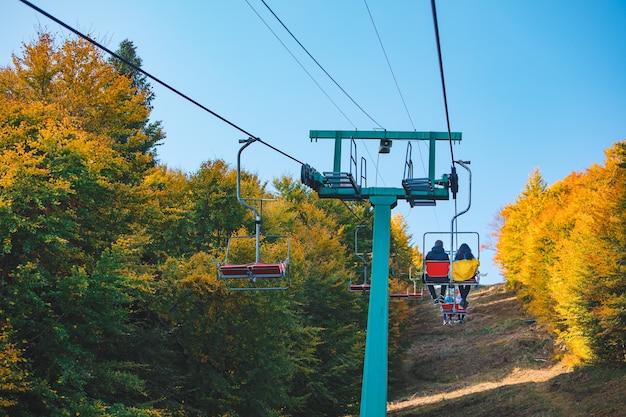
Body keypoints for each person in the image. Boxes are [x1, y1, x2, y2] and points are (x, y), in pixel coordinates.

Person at [453, 243, 479, 308]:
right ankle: (463, 299)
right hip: (469, 276)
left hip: (459, 276)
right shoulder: (470, 256)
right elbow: (475, 264)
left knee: (460, 284)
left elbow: (453, 265)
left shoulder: (458, 256)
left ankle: (463, 299)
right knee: (468, 284)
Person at [424, 239, 449, 304]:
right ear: (442, 246)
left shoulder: (429, 254)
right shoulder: (445, 255)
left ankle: (434, 297)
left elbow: (425, 264)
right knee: (446, 277)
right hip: (443, 277)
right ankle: (442, 295)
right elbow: (448, 265)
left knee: (426, 279)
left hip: (431, 277)